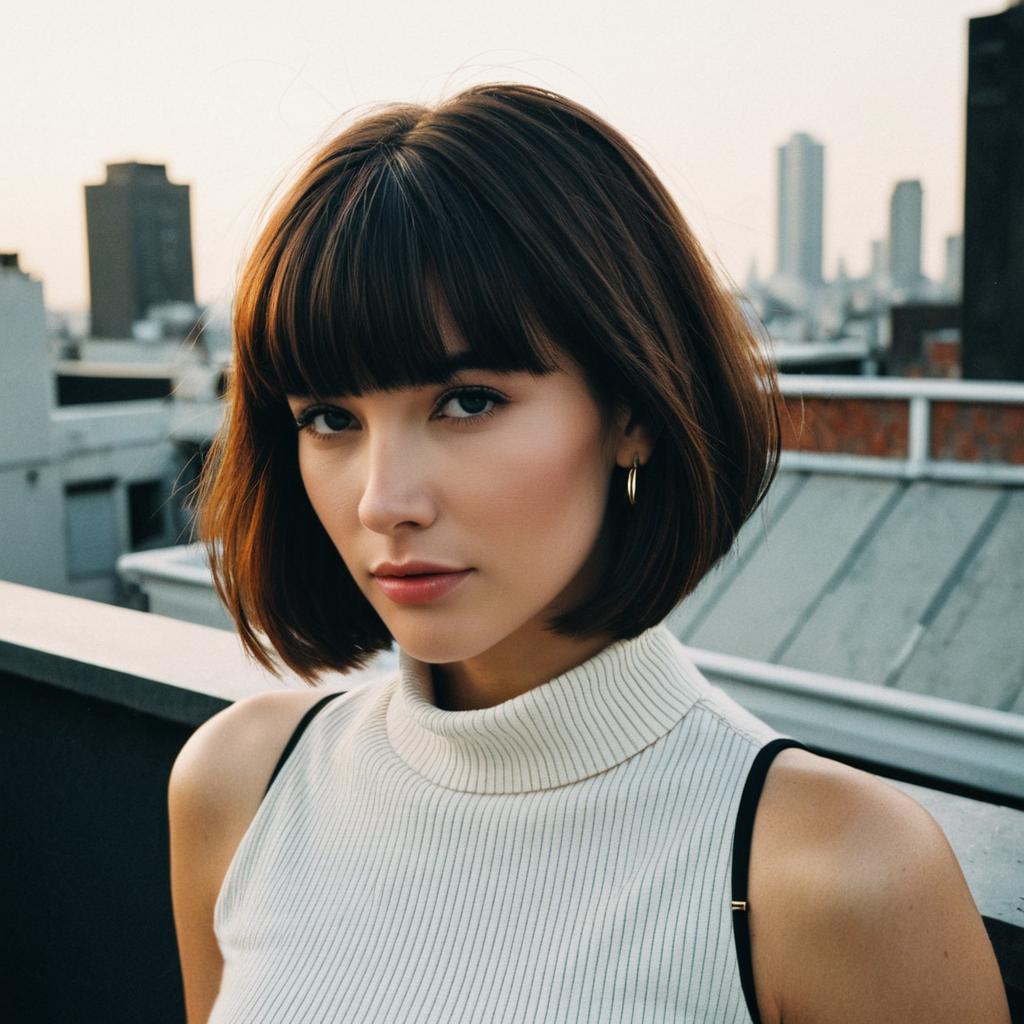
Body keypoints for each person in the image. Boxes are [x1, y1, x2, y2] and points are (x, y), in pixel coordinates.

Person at [168, 82, 1010, 1023]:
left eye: (468, 401)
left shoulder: (836, 873)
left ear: (634, 411)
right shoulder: (242, 785)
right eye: (329, 418)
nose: (383, 501)